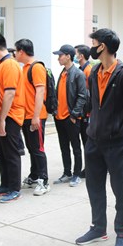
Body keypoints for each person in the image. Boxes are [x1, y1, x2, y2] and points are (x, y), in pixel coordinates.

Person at [75, 28, 123, 246]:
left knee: (120, 190)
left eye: (94, 43)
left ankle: (121, 233)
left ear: (102, 46)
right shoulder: (94, 71)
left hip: (116, 143)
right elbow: (93, 104)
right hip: (94, 140)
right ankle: (98, 227)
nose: (91, 47)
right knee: (94, 186)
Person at [0, 32, 25, 203]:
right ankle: (5, 184)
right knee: (0, 153)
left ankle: (15, 188)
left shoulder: (10, 65)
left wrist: (2, 120)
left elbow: (9, 93)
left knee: (10, 153)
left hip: (9, 116)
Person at [14, 39, 50, 196]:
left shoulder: (36, 67)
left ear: (21, 51)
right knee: (32, 148)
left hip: (36, 116)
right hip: (26, 115)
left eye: (16, 51)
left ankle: (44, 181)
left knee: (38, 149)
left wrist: (36, 116)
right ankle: (34, 175)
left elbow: (40, 92)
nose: (14, 54)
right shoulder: (25, 68)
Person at [53, 44, 87, 187]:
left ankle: (76, 174)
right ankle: (67, 172)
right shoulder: (62, 73)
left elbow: (82, 96)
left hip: (71, 117)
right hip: (59, 117)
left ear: (68, 56)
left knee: (76, 147)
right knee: (64, 147)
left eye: (60, 55)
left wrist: (74, 114)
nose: (58, 58)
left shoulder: (78, 74)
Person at [75, 44, 92, 178]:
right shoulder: (81, 69)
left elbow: (90, 93)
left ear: (81, 56)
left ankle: (90, 168)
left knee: (88, 142)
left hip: (88, 112)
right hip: (83, 111)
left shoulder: (88, 70)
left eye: (75, 53)